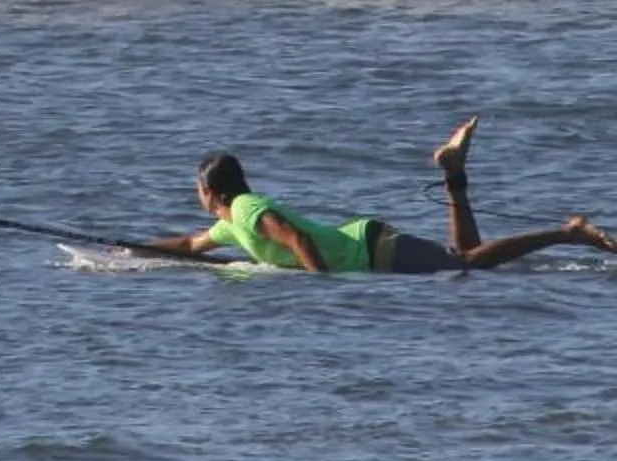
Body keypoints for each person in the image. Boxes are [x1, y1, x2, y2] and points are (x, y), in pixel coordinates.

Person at [126, 116, 617, 273]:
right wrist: (131, 248)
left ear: (209, 189)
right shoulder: (230, 220)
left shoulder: (248, 209)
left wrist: (322, 286)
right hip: (370, 247)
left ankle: (567, 232)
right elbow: (191, 247)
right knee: (466, 261)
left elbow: (294, 237)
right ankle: (454, 172)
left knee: (466, 264)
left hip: (369, 249)